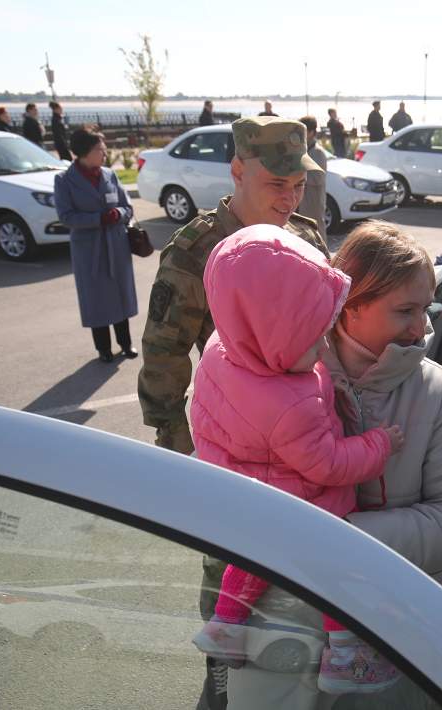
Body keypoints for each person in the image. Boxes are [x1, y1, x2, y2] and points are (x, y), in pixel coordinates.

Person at [220, 220, 442, 706]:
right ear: (349, 305)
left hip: (401, 629)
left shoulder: (436, 390)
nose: (421, 327)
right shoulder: (279, 373)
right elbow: (223, 477)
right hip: (287, 622)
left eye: (425, 309)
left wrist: (338, 538)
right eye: (404, 311)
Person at [138, 116, 326, 710]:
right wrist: (186, 469)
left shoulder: (306, 238)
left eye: (299, 184)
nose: (291, 197)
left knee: (306, 601)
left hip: (304, 452)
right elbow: (165, 357)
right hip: (234, 458)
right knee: (230, 604)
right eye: (278, 185)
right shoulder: (197, 250)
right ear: (238, 171)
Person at [189, 225, 404, 695]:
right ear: (272, 334)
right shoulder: (291, 402)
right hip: (300, 500)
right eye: (311, 342)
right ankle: (346, 656)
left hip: (245, 492)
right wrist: (379, 445)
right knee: (334, 565)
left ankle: (224, 626)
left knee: (251, 559)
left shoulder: (221, 351)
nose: (323, 350)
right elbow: (329, 465)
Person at [53, 129, 138, 362]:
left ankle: (125, 343)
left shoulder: (109, 175)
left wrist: (117, 213)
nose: (105, 153)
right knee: (96, 299)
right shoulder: (64, 180)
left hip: (116, 244)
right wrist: (98, 219)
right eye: (100, 149)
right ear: (84, 153)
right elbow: (66, 216)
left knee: (120, 295)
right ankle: (103, 349)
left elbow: (127, 206)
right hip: (89, 249)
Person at [298, 115, 328, 237]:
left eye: (302, 132)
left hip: (313, 202)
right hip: (302, 203)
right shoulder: (303, 149)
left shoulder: (318, 152)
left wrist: (298, 177)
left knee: (317, 234)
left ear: (311, 132)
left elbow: (318, 178)